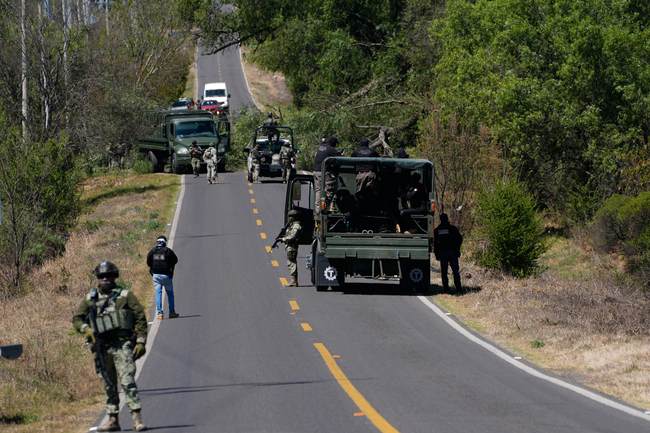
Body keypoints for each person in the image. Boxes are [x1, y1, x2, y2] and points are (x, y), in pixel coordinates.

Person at [72, 261, 148, 432]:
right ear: (97, 278)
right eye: (102, 276)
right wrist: (86, 329)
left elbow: (140, 318)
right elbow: (77, 318)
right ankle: (113, 419)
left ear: (115, 277)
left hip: (122, 344)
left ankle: (137, 419)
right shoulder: (91, 298)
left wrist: (141, 341)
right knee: (108, 383)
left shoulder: (125, 296)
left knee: (127, 380)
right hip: (102, 347)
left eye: (108, 276)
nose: (105, 279)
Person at [146, 236, 179, 320]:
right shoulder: (168, 251)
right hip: (166, 275)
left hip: (156, 275)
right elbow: (175, 260)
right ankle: (172, 312)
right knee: (170, 294)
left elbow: (148, 262)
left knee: (158, 293)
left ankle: (160, 314)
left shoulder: (152, 251)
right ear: (164, 243)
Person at [433, 213, 463, 292]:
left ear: (441, 220)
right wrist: (457, 249)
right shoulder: (453, 228)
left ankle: (446, 289)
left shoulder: (437, 230)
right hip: (453, 252)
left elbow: (435, 244)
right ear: (447, 219)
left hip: (443, 253)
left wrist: (436, 254)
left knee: (444, 272)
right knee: (455, 271)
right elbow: (460, 239)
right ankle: (458, 288)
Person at [313, 136, 341, 214]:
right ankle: (324, 208)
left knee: (318, 190)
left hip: (316, 171)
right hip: (324, 172)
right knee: (331, 189)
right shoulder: (331, 149)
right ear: (333, 143)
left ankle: (318, 210)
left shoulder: (321, 147)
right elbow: (339, 159)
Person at [277, 209, 302, 287]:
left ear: (294, 217)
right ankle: (293, 280)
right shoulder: (292, 225)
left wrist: (283, 239)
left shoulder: (296, 226)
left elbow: (292, 236)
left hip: (292, 247)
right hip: (290, 246)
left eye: (291, 216)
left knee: (291, 263)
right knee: (291, 263)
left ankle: (293, 281)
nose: (289, 218)